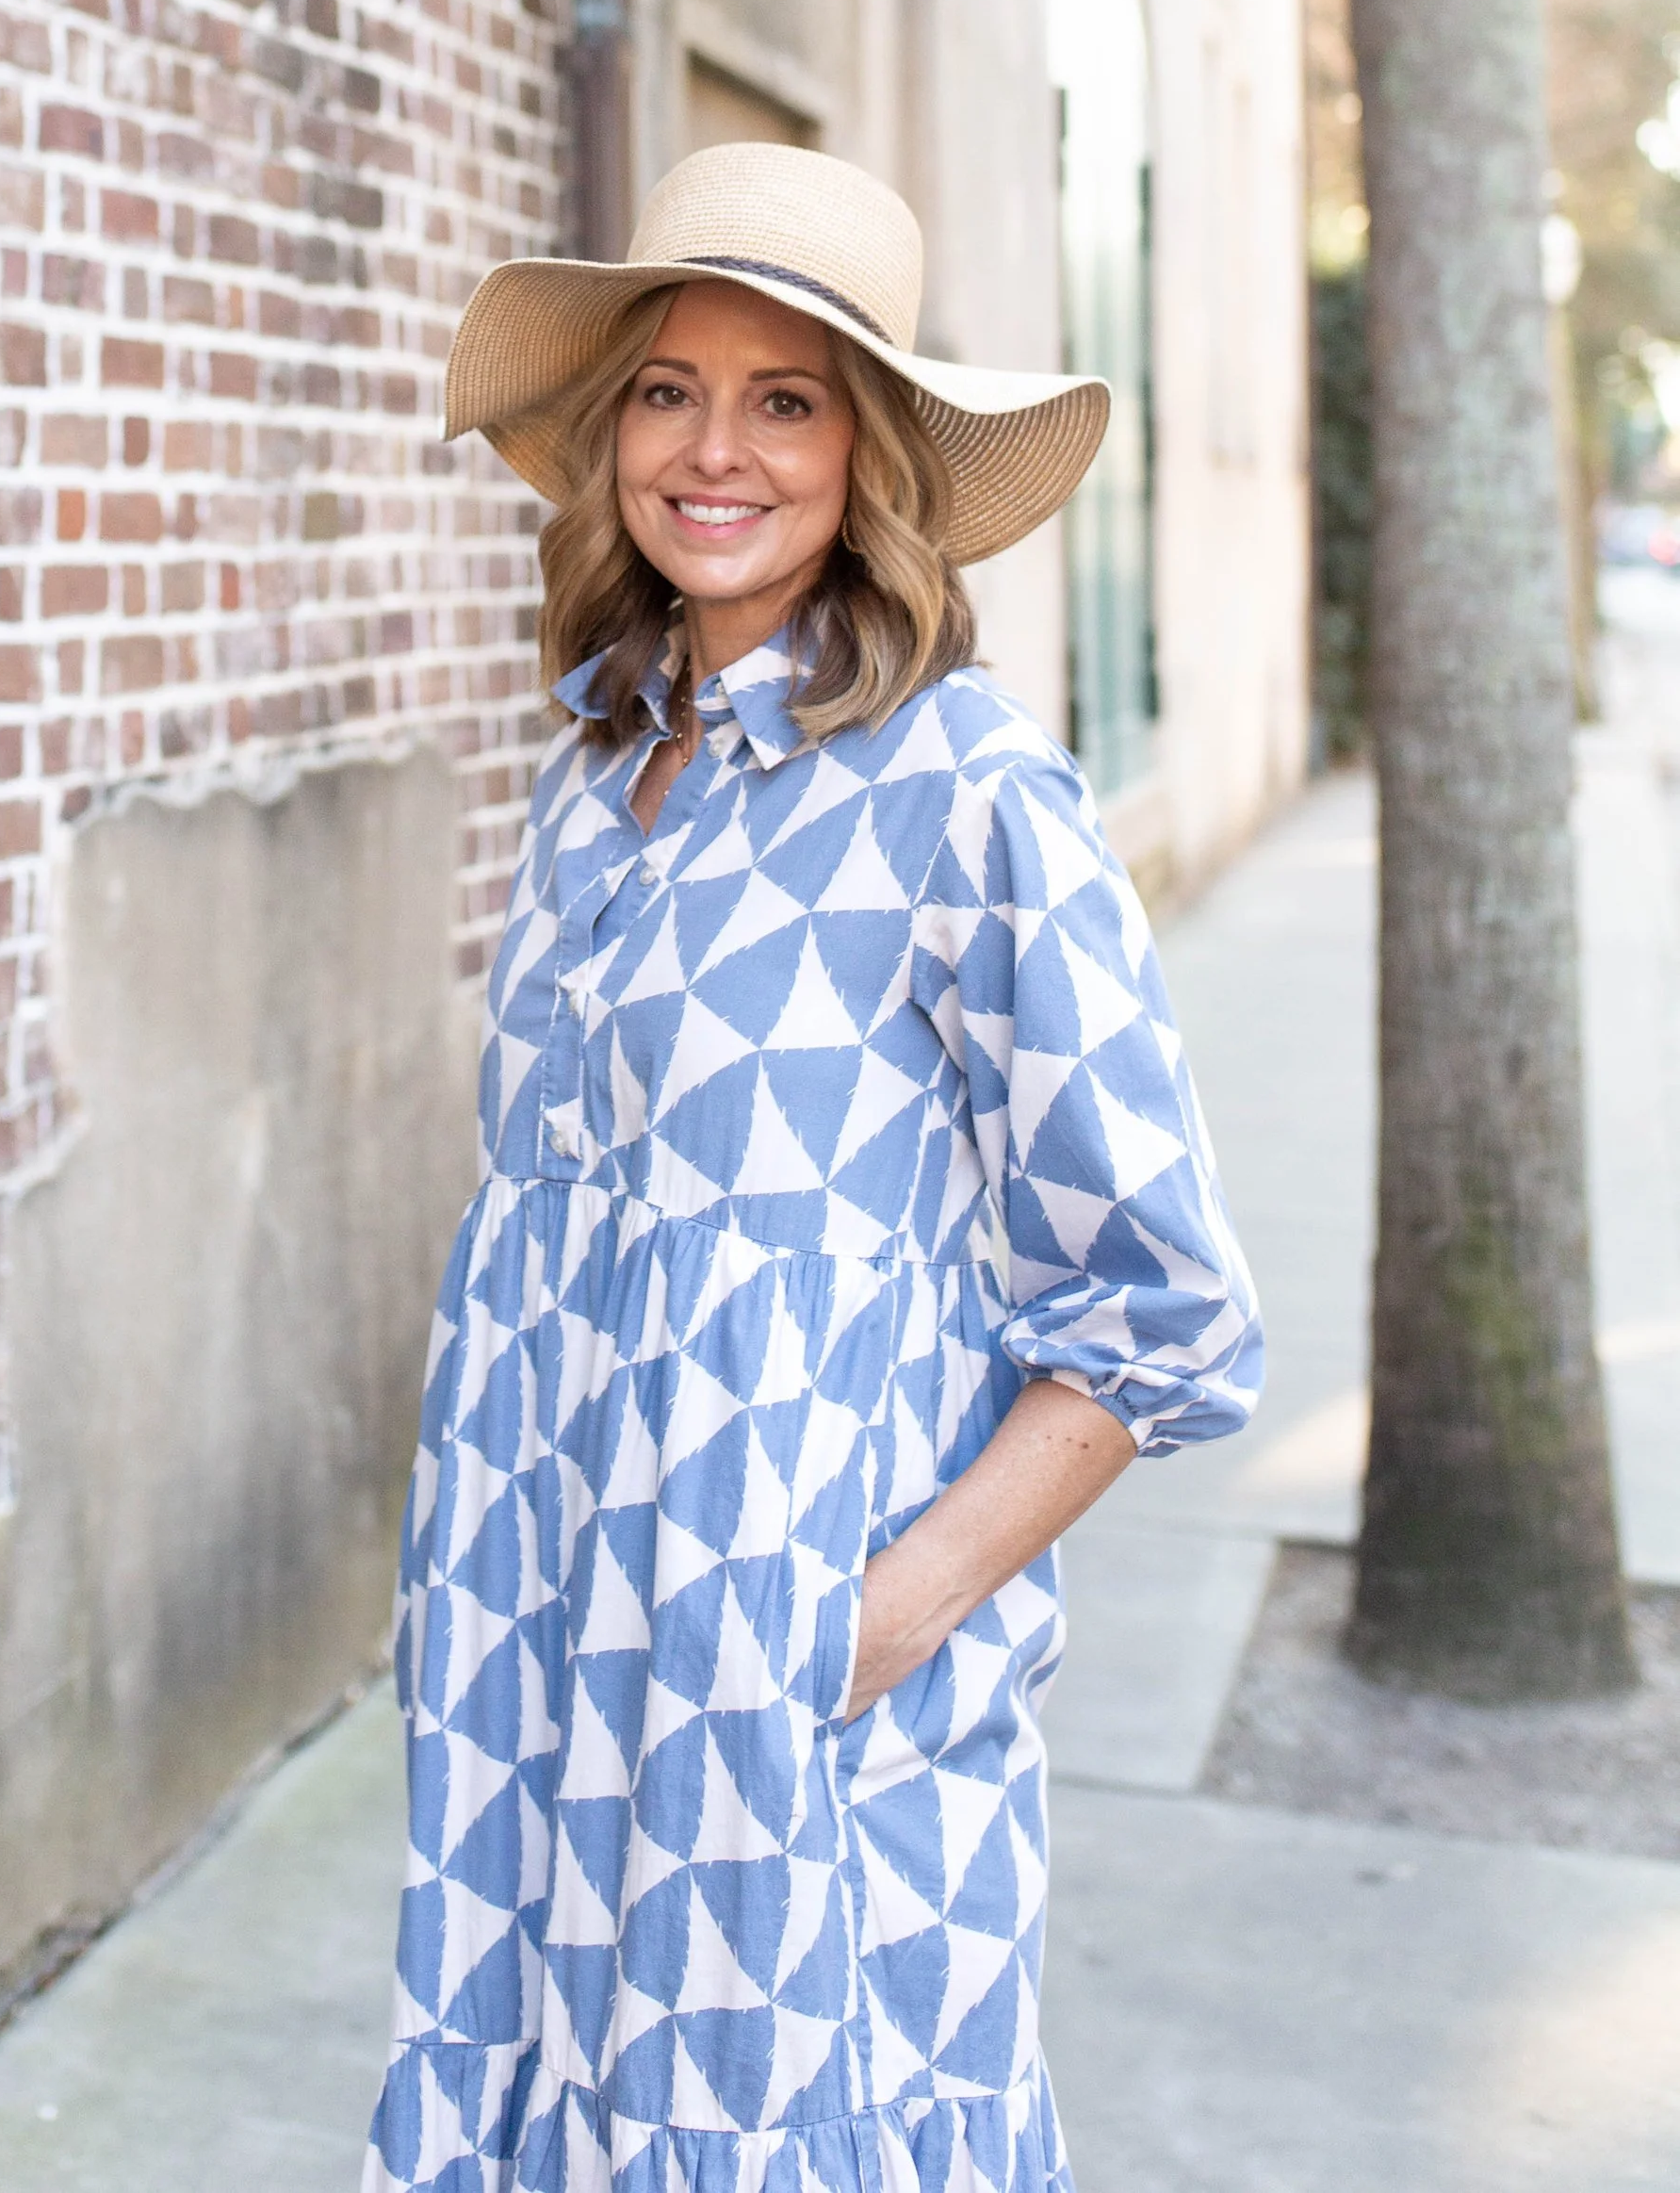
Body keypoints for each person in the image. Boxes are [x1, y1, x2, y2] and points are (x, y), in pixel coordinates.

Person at [366, 145, 1262, 2193]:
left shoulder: (968, 795)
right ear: (609, 436)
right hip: (541, 1643)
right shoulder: (597, 770)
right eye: (670, 389)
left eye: (785, 398)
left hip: (788, 1680)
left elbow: (1160, 1312)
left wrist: (887, 1608)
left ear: (862, 456)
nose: (714, 449)